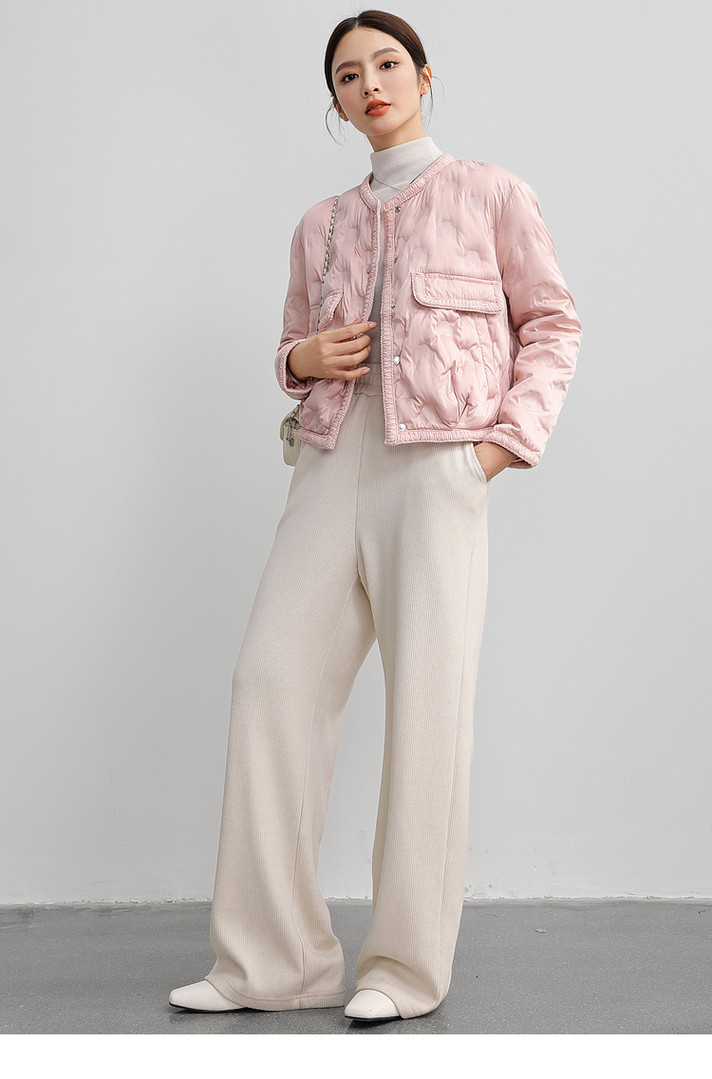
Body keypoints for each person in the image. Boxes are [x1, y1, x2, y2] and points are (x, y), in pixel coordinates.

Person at [169, 8, 581, 1023]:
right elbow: (291, 344)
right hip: (327, 459)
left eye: (387, 63)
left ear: (425, 75)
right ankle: (271, 962)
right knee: (269, 681)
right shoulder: (320, 224)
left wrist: (497, 448)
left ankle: (401, 968)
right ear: (337, 103)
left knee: (429, 707)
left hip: (437, 465)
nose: (371, 84)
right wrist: (302, 359)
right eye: (349, 75)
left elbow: (553, 323)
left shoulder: (491, 193)